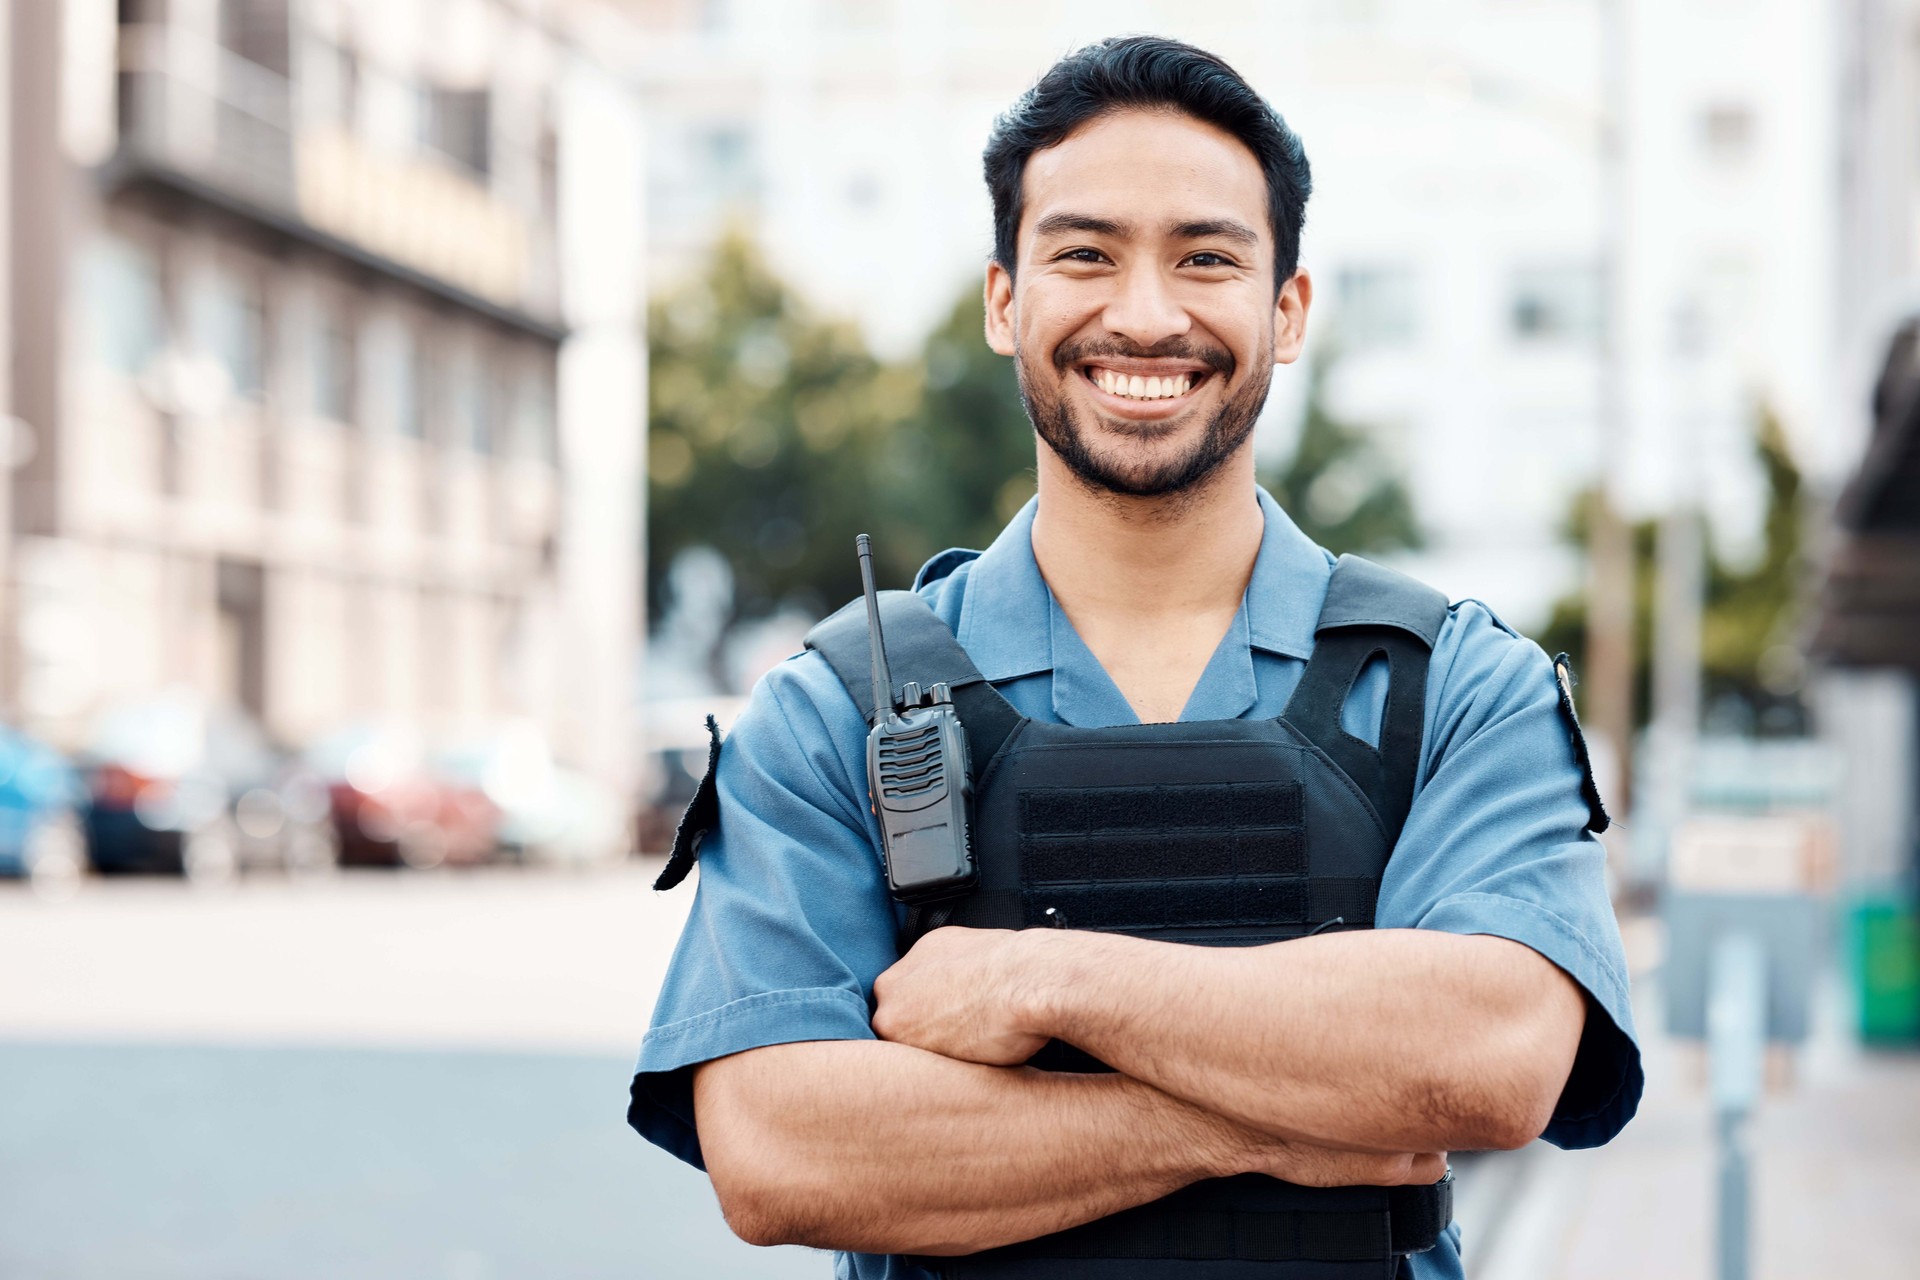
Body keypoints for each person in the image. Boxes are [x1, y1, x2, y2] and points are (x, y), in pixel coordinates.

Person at [629, 35, 1641, 1280]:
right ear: (1006, 301)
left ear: (1289, 309)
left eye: (1206, 258)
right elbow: (781, 1150)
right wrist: (1274, 1112)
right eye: (1084, 254)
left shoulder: (1454, 687)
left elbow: (1493, 1059)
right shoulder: (841, 705)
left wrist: (1040, 981)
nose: (1147, 315)